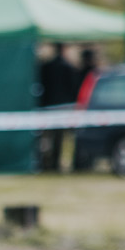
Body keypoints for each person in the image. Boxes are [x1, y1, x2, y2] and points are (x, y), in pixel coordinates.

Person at [36, 42, 82, 170]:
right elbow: (74, 88)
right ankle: (54, 163)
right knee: (59, 138)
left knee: (48, 138)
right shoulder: (68, 67)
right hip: (63, 107)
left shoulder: (47, 66)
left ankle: (48, 163)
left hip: (49, 106)